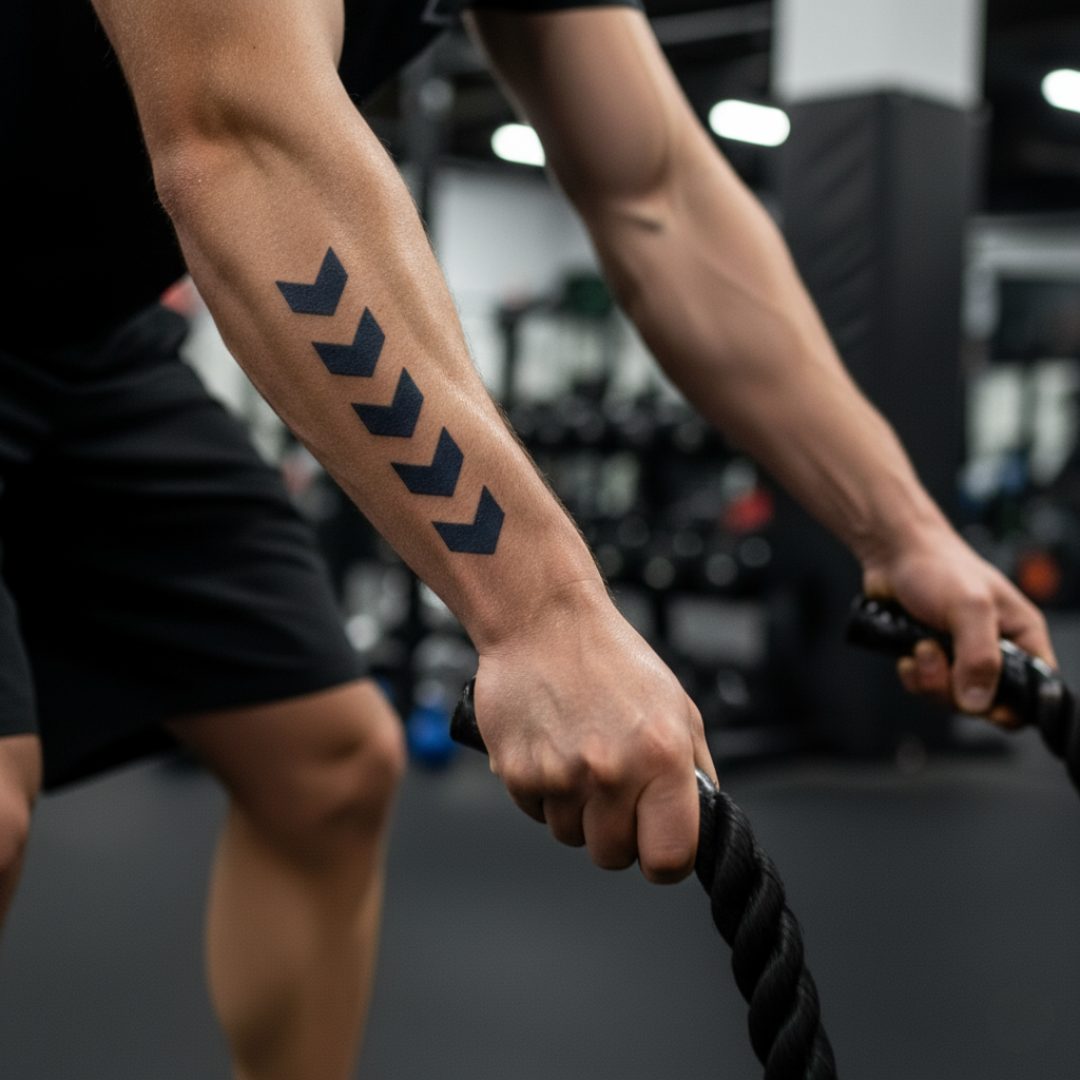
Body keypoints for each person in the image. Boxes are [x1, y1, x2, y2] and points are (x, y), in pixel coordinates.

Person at [0, 0, 1054, 1077]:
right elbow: (242, 139)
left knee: (329, 766)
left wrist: (904, 529)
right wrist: (540, 612)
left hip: (85, 336)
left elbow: (659, 198)